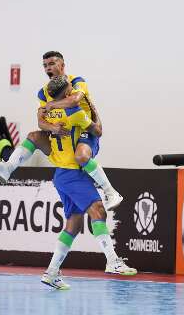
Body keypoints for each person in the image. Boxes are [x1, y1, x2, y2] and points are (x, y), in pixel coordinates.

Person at [0, 51, 123, 210]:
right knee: (33, 136)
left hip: (85, 130)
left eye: (52, 64)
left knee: (81, 156)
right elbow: (41, 121)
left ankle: (111, 192)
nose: (48, 68)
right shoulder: (44, 92)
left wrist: (52, 105)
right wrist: (52, 127)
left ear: (62, 65)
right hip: (62, 135)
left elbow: (75, 100)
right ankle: (7, 168)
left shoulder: (77, 82)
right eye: (45, 65)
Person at [39, 75, 137, 290]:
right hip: (73, 173)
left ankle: (51, 272)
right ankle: (112, 261)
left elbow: (40, 124)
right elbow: (98, 130)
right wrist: (94, 110)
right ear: (67, 93)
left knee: (73, 224)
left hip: (61, 174)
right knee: (98, 210)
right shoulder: (75, 112)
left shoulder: (46, 112)